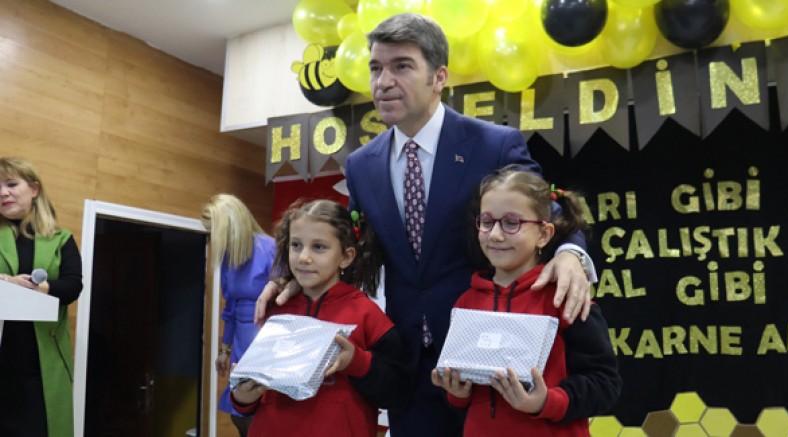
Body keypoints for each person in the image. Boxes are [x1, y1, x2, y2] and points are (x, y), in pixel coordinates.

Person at [256, 13, 597, 436]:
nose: (383, 82)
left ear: (439, 77)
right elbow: (351, 243)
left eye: (401, 66)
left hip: (487, 364)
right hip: (409, 368)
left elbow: (547, 207)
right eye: (376, 68)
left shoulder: (493, 144)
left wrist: (570, 253)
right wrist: (288, 276)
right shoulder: (362, 165)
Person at [431, 166, 621, 436]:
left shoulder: (565, 297)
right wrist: (457, 393)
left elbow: (605, 384)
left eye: (512, 223)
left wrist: (547, 402)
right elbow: (465, 395)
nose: (495, 234)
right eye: (487, 221)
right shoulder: (466, 303)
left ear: (544, 234)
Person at [232, 200, 409, 436]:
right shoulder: (275, 310)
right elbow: (253, 394)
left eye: (319, 247)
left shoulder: (367, 314)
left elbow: (397, 393)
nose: (304, 257)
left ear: (346, 257)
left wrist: (356, 361)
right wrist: (242, 398)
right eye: (296, 245)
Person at [0, 157, 83, 437]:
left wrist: (39, 288)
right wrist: (6, 281)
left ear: (34, 189)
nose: (3, 193)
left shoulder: (60, 238)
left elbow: (72, 286)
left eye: (11, 184)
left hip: (41, 364)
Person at [201, 194, 276, 437]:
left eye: (216, 230)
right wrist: (224, 350)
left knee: (264, 416)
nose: (215, 238)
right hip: (241, 347)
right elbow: (230, 310)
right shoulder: (228, 258)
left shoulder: (269, 248)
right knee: (240, 415)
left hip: (267, 342)